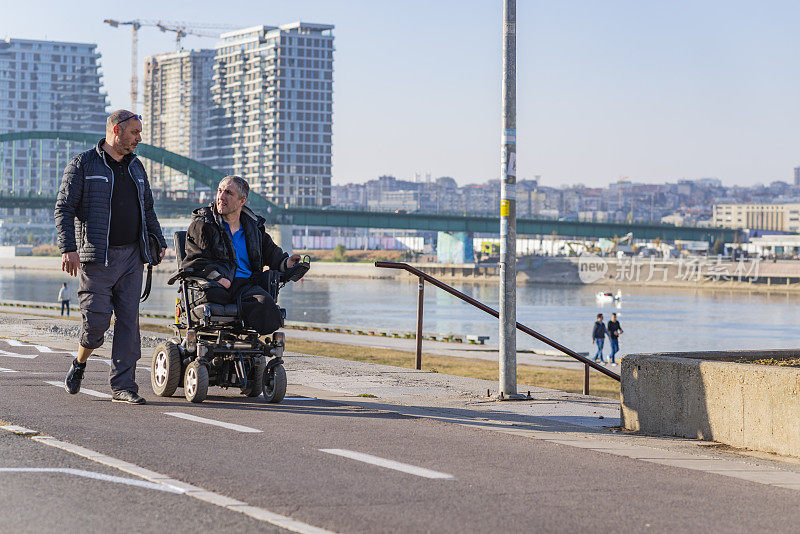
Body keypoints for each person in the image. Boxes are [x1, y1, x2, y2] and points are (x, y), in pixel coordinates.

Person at [54, 109, 166, 405]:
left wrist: (159, 241)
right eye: (134, 133)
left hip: (132, 256)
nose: (139, 139)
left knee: (129, 324)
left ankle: (123, 386)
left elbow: (148, 208)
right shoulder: (82, 164)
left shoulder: (136, 167)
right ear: (116, 131)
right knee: (96, 323)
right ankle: (79, 363)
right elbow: (64, 208)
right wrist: (68, 248)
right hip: (96, 257)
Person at [183, 175, 300, 334]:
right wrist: (217, 278)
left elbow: (272, 253)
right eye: (219, 191)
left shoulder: (253, 227)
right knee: (216, 295)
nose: (221, 197)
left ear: (242, 201)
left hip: (246, 285)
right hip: (218, 285)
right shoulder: (203, 224)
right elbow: (196, 260)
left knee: (267, 306)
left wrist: (287, 263)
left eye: (228, 193)